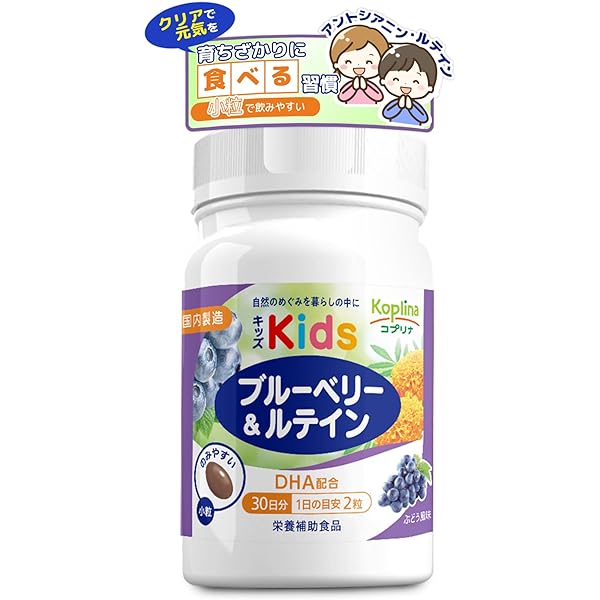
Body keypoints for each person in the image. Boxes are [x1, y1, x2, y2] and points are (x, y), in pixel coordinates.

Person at [379, 43, 437, 126]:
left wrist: (411, 107)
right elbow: (386, 114)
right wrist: (398, 105)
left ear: (429, 87)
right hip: (393, 125)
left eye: (416, 81)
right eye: (396, 79)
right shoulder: (395, 103)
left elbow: (423, 118)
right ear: (383, 80)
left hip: (415, 128)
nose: (405, 84)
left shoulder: (415, 105)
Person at [329, 25, 390, 105]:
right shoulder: (350, 85)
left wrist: (366, 87)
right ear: (336, 63)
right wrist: (353, 88)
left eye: (369, 62)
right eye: (348, 62)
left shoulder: (370, 85)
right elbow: (342, 97)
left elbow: (378, 97)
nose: (358, 67)